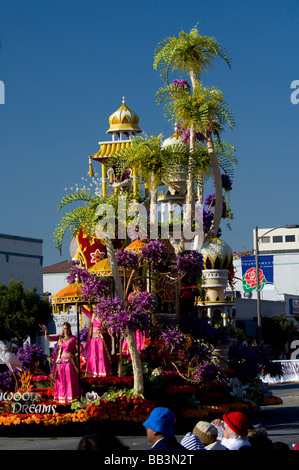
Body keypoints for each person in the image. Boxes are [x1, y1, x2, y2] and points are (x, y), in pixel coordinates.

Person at [40, 322, 80, 404]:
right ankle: (61, 398)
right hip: (60, 362)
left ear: (70, 329)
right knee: (61, 380)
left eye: (67, 329)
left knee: (69, 380)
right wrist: (46, 330)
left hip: (69, 362)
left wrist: (75, 355)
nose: (66, 330)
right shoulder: (60, 338)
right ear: (62, 329)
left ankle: (71, 398)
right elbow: (48, 338)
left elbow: (80, 347)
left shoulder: (73, 339)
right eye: (64, 329)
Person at [82, 306, 113, 378]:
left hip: (100, 339)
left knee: (101, 356)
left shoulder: (104, 317)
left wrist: (110, 333)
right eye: (93, 309)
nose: (94, 310)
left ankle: (102, 372)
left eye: (96, 309)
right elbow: (85, 312)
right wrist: (81, 306)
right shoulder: (92, 316)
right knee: (93, 356)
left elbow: (108, 327)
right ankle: (93, 373)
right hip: (94, 339)